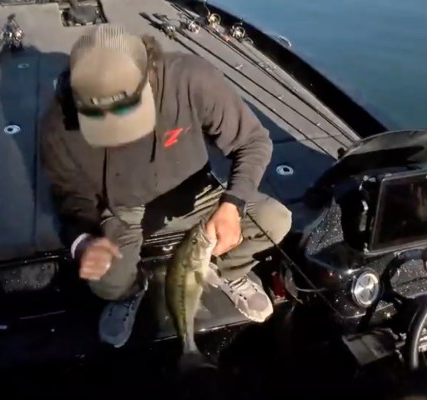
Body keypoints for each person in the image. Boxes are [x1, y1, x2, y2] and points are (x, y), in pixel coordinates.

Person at [40, 23, 293, 348]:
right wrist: (84, 242)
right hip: (124, 210)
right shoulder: (58, 127)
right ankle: (131, 292)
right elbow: (70, 198)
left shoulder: (190, 78)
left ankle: (228, 271)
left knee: (275, 220)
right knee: (106, 282)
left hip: (198, 195)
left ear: (149, 73)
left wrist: (232, 204)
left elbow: (253, 141)